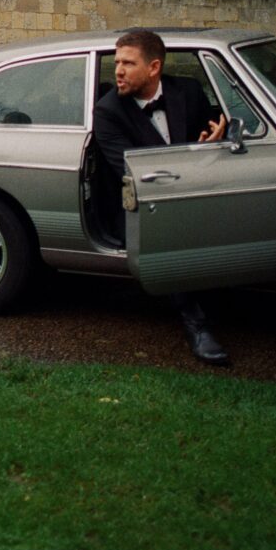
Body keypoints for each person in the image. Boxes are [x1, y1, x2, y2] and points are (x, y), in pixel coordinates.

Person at [92, 28, 231, 366]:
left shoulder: (189, 91)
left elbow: (212, 133)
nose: (118, 71)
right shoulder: (108, 111)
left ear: (154, 67)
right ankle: (196, 323)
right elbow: (135, 173)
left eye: (128, 63)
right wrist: (196, 155)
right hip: (136, 206)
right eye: (117, 62)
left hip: (192, 191)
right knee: (168, 232)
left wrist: (214, 144)